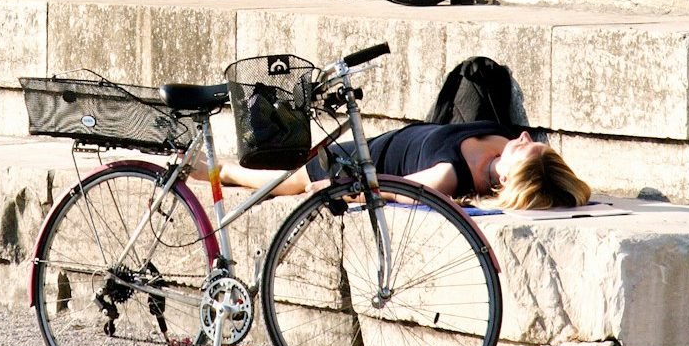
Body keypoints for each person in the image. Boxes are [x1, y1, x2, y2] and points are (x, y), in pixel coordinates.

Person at [201, 122, 593, 211]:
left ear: (508, 176)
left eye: (524, 148)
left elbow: (391, 187)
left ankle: (223, 172)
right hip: (377, 141)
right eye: (529, 140)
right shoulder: (501, 140)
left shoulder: (450, 175)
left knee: (283, 180)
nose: (523, 136)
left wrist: (339, 191)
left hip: (358, 164)